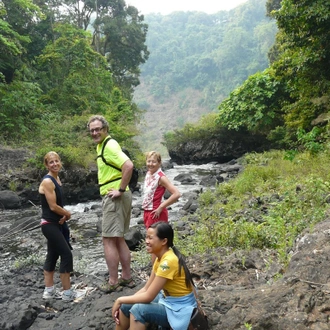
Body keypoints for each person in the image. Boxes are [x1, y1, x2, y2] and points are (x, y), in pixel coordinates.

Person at [112, 221, 197, 330]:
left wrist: (119, 299)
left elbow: (149, 297)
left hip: (179, 308)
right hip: (168, 300)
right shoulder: (160, 258)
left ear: (164, 241)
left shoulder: (168, 262)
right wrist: (124, 301)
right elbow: (146, 288)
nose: (146, 241)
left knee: (138, 310)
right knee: (125, 306)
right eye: (146, 238)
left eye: (150, 238)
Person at [87, 115, 135, 293]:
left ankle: (113, 281)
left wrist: (120, 190)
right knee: (118, 238)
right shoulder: (103, 146)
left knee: (108, 239)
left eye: (98, 129)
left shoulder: (109, 145)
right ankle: (127, 278)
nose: (95, 132)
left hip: (115, 197)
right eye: (92, 130)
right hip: (119, 197)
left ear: (105, 129)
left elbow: (128, 166)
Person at [39, 151, 83, 301]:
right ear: (46, 165)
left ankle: (49, 291)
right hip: (49, 224)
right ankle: (67, 293)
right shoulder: (48, 181)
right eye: (51, 162)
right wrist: (68, 214)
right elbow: (52, 206)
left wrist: (63, 216)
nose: (55, 164)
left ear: (60, 162)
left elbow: (58, 205)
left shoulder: (57, 180)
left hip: (57, 224)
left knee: (52, 255)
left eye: (56, 161)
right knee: (66, 254)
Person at [142, 151, 181, 229]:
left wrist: (161, 207)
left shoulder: (161, 177)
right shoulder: (149, 173)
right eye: (149, 161)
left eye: (154, 162)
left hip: (156, 213)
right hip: (147, 211)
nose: (150, 164)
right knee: (151, 238)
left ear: (159, 163)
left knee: (157, 239)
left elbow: (177, 194)